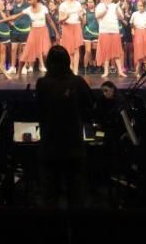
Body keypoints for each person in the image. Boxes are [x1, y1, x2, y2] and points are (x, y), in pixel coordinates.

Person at [35, 45, 95, 209]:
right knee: (76, 195)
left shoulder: (42, 83)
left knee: (50, 195)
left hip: (50, 143)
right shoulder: (77, 82)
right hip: (73, 144)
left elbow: (38, 111)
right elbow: (90, 109)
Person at [0, 0, 56, 75]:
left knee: (45, 53)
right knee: (26, 52)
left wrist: (56, 32)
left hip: (43, 31)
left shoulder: (43, 8)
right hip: (33, 31)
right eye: (27, 0)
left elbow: (50, 20)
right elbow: (14, 17)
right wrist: (0, 21)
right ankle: (19, 72)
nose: (28, 1)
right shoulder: (28, 9)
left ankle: (50, 70)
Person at [95, 0, 126, 78]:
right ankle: (106, 71)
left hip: (114, 31)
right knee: (106, 52)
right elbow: (97, 16)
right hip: (104, 32)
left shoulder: (115, 6)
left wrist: (116, 9)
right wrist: (105, 9)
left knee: (116, 52)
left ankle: (120, 71)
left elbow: (121, 17)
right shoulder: (100, 6)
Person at [58, 0, 85, 73]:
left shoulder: (78, 4)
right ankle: (70, 67)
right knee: (68, 49)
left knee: (76, 48)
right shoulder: (63, 5)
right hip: (67, 27)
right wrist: (66, 17)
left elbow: (81, 17)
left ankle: (75, 70)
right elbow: (60, 20)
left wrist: (81, 16)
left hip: (76, 26)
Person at [130, 0, 146, 75]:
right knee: (139, 52)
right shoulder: (134, 14)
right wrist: (132, 29)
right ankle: (137, 71)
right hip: (138, 33)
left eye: (141, 6)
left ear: (144, 6)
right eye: (138, 6)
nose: (140, 7)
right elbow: (131, 24)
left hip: (145, 33)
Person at [82, 0, 99, 73]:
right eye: (88, 2)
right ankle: (86, 67)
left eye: (91, 2)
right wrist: (84, 15)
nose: (90, 3)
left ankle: (95, 65)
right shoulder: (85, 11)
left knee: (95, 51)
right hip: (87, 33)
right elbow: (84, 23)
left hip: (96, 33)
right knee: (88, 51)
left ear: (94, 3)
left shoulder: (98, 11)